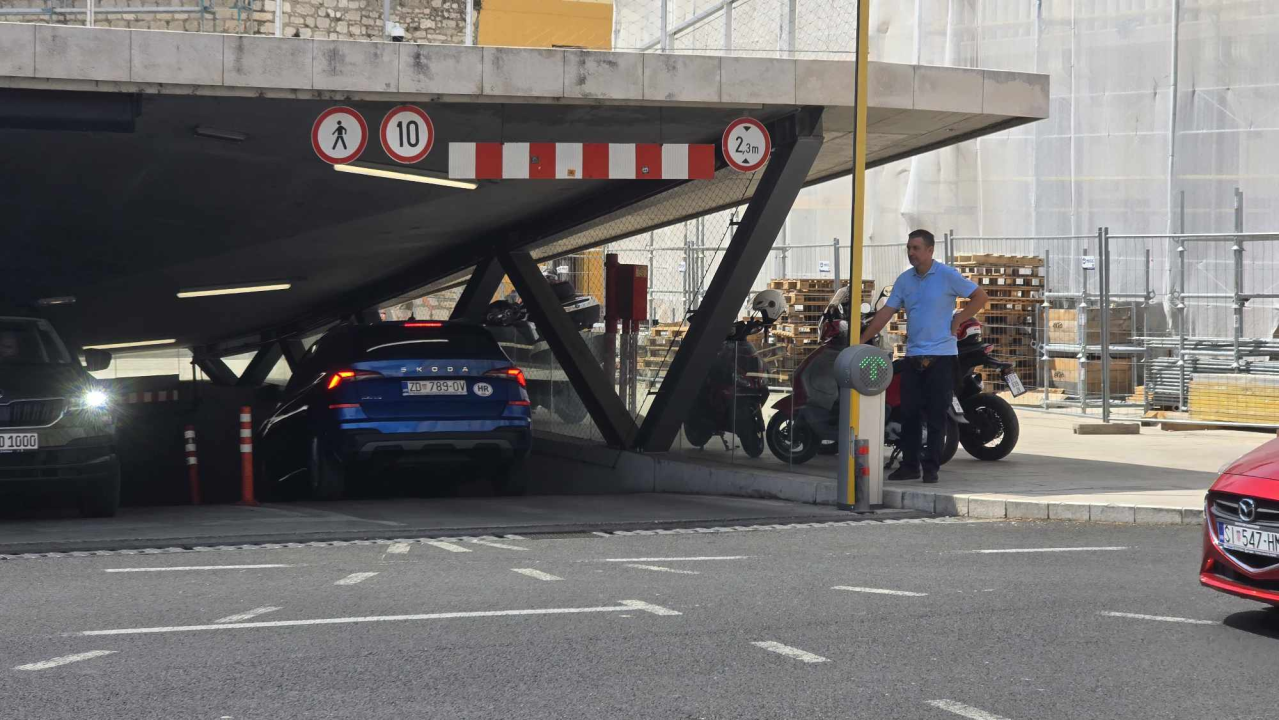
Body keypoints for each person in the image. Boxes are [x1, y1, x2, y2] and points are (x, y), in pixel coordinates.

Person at [859, 229, 988, 483]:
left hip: (942, 356)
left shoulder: (947, 275)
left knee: (937, 414)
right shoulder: (905, 280)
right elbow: (886, 312)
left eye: (916, 248)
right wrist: (861, 340)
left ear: (930, 250)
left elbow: (979, 296)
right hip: (914, 356)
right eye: (909, 248)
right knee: (909, 413)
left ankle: (931, 469)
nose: (911, 253)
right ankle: (910, 466)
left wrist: (960, 318)